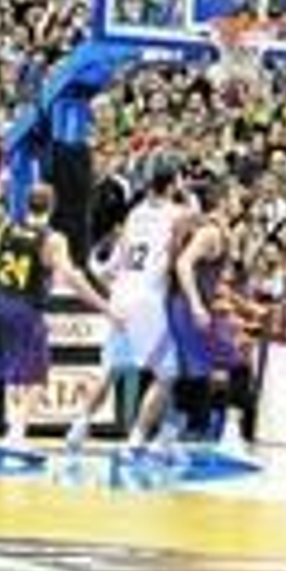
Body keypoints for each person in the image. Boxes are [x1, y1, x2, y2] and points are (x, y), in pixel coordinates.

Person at [0, 184, 116, 452]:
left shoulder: (8, 229)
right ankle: (17, 434)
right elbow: (72, 277)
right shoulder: (52, 239)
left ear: (27, 204)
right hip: (25, 308)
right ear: (52, 206)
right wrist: (104, 306)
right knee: (38, 376)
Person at [66, 163, 186, 454]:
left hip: (122, 293)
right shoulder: (178, 214)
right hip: (148, 297)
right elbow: (173, 259)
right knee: (166, 374)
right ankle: (137, 437)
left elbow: (120, 257)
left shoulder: (134, 214)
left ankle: (79, 426)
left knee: (111, 370)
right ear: (171, 186)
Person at [169, 186, 229, 443]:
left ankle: (192, 428)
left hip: (190, 303)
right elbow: (183, 264)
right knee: (197, 369)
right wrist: (195, 304)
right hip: (188, 305)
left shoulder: (206, 230)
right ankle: (194, 430)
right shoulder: (209, 232)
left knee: (198, 367)